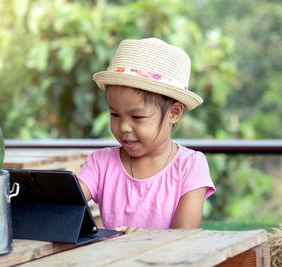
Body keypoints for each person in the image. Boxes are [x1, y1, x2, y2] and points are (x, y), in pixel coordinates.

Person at [77, 38, 216, 235]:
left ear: (174, 113)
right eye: (115, 114)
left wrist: (144, 239)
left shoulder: (190, 166)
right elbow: (66, 203)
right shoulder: (100, 163)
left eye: (137, 117)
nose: (124, 127)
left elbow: (184, 234)